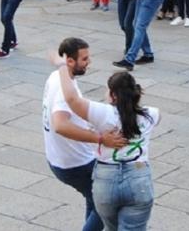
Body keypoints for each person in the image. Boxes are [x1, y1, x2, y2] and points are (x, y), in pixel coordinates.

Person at [54, 40, 160, 231]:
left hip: (106, 182)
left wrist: (63, 66)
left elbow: (71, 98)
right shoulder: (152, 114)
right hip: (138, 179)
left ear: (112, 95)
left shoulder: (102, 114)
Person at [43, 38, 128, 231]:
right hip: (76, 163)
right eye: (84, 58)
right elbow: (60, 125)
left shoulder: (57, 77)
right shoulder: (65, 91)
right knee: (107, 203)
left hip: (61, 159)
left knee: (93, 199)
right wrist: (100, 138)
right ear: (70, 61)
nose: (89, 62)